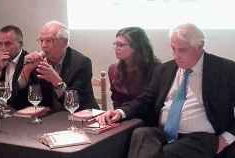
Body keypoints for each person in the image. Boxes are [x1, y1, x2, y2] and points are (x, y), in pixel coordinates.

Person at [97, 23, 235, 158]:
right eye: (173, 49)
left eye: (182, 50)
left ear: (200, 46)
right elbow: (145, 99)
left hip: (200, 137)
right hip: (164, 132)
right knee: (141, 134)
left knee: (166, 153)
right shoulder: (165, 69)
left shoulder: (226, 70)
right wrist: (121, 112)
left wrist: (227, 138)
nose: (176, 55)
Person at [18, 20, 98, 112]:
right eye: (41, 40)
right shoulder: (38, 62)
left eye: (49, 41)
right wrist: (26, 70)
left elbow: (76, 102)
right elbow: (21, 101)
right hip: (51, 118)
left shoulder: (81, 63)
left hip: (82, 116)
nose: (43, 45)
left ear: (64, 43)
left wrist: (56, 81)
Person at [109, 27, 160, 108]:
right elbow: (116, 101)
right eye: (115, 44)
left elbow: (151, 103)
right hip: (121, 116)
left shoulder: (156, 69)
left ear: (136, 47)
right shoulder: (113, 69)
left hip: (146, 117)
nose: (116, 48)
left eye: (121, 45)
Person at [0, 25, 30, 110]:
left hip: (22, 113)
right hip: (1, 113)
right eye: (0, 44)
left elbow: (22, 96)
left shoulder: (29, 62)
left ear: (20, 44)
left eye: (7, 44)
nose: (3, 48)